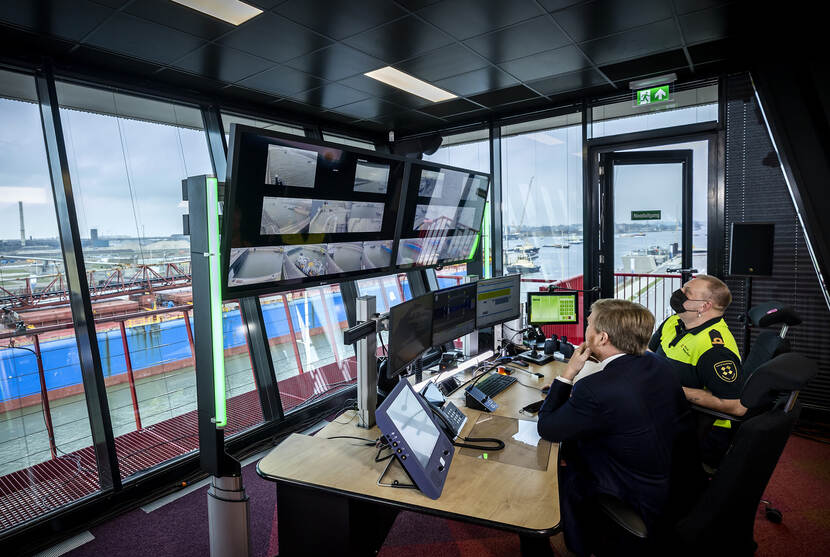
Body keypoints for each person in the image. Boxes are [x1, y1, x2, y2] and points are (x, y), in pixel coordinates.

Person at [537, 299, 692, 557]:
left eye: (588, 326)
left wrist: (568, 374)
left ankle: (568, 544)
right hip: (670, 479)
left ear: (602, 338)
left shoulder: (596, 389)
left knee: (548, 472)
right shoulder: (660, 365)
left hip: (628, 491)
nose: (586, 331)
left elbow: (548, 427)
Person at [648, 275, 745, 466]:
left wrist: (672, 388)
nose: (679, 294)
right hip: (661, 411)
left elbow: (737, 406)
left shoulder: (715, 350)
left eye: (687, 293)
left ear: (704, 306)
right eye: (683, 288)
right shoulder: (673, 322)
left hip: (697, 428)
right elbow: (648, 354)